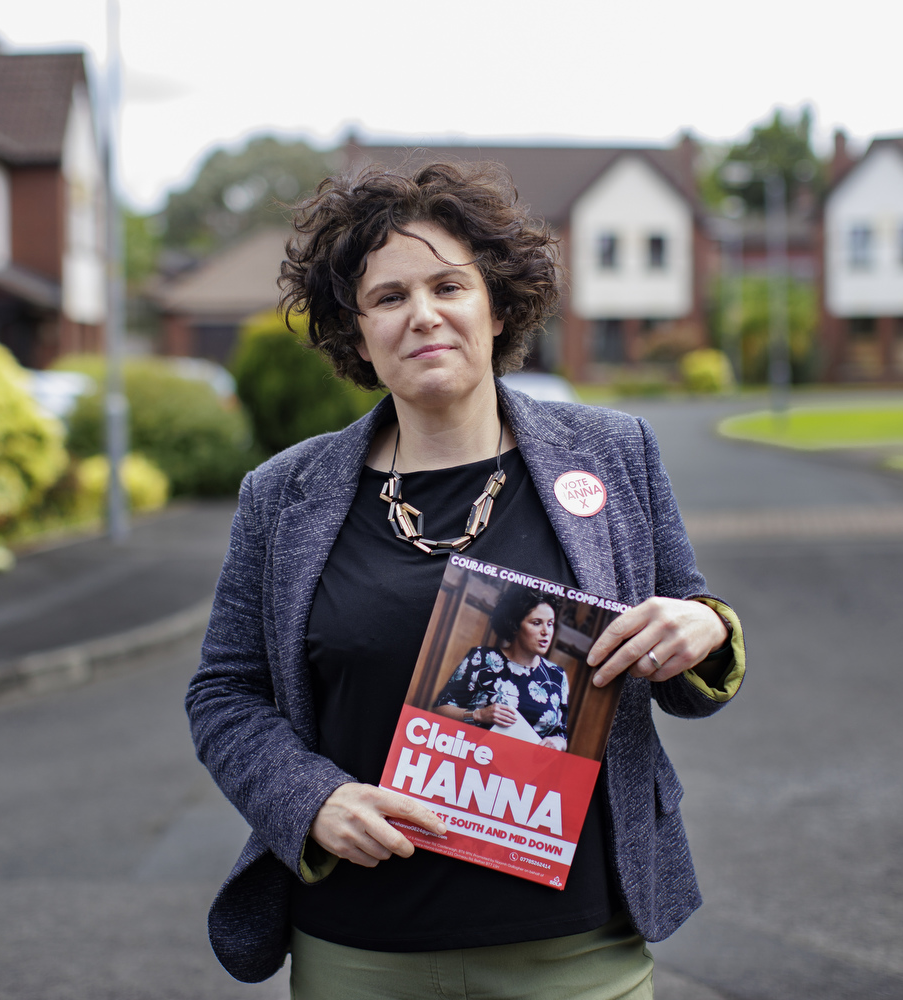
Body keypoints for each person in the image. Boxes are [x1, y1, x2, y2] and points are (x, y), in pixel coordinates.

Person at [184, 161, 745, 999]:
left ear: (497, 304)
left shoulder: (613, 454)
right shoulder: (284, 494)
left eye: (449, 285)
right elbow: (225, 692)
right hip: (361, 950)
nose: (423, 316)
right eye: (388, 297)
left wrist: (704, 629)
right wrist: (309, 800)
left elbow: (690, 650)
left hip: (576, 944)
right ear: (357, 330)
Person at [432, 589, 569, 751]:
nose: (546, 632)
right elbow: (440, 709)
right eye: (537, 623)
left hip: (527, 771)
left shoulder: (557, 676)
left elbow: (561, 732)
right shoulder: (481, 659)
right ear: (515, 625)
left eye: (550, 623)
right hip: (475, 759)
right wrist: (478, 715)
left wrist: (559, 743)